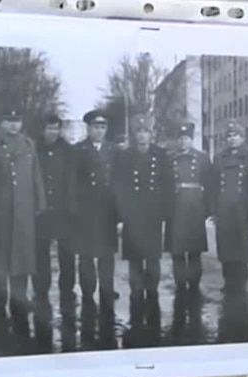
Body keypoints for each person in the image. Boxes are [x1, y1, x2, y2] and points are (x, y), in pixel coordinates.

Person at [0, 110, 47, 335]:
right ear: (1, 122)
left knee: (22, 259)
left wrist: (40, 202)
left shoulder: (28, 144)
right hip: (0, 212)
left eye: (17, 121)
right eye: (9, 121)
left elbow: (35, 174)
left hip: (24, 211)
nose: (14, 125)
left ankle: (19, 300)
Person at [112, 114, 173, 331]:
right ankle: (136, 291)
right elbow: (118, 186)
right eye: (138, 132)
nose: (142, 135)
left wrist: (166, 212)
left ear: (151, 134)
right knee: (134, 258)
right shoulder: (124, 156)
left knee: (153, 257)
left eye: (145, 131)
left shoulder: (160, 154)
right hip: (132, 214)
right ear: (134, 134)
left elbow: (167, 184)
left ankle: (152, 291)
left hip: (153, 214)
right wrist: (122, 213)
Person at [72, 110, 120, 313]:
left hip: (107, 210)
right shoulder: (78, 150)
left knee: (107, 255)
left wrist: (119, 213)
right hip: (86, 211)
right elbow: (71, 182)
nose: (99, 131)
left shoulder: (114, 151)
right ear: (88, 128)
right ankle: (88, 292)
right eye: (95, 127)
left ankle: (107, 290)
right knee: (85, 255)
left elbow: (119, 182)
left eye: (102, 127)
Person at [165, 121, 216, 296]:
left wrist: (209, 209)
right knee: (177, 250)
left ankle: (194, 284)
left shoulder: (202, 158)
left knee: (194, 250)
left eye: (186, 138)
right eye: (180, 139)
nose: (183, 142)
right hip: (175, 207)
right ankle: (180, 283)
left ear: (191, 139)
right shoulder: (169, 158)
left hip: (195, 208)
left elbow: (210, 185)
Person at [213, 120, 248, 294]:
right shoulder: (219, 158)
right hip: (224, 209)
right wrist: (214, 210)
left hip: (243, 210)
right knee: (226, 248)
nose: (232, 139)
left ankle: (240, 284)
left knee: (241, 248)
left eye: (235, 135)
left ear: (242, 138)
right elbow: (213, 186)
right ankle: (228, 282)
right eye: (229, 136)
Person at [34, 113, 78, 307]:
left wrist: (72, 206)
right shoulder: (33, 149)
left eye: (56, 128)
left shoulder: (68, 150)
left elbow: (73, 179)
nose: (53, 132)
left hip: (63, 210)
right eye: (49, 128)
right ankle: (40, 291)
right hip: (41, 211)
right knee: (40, 252)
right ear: (42, 129)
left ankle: (67, 290)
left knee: (66, 253)